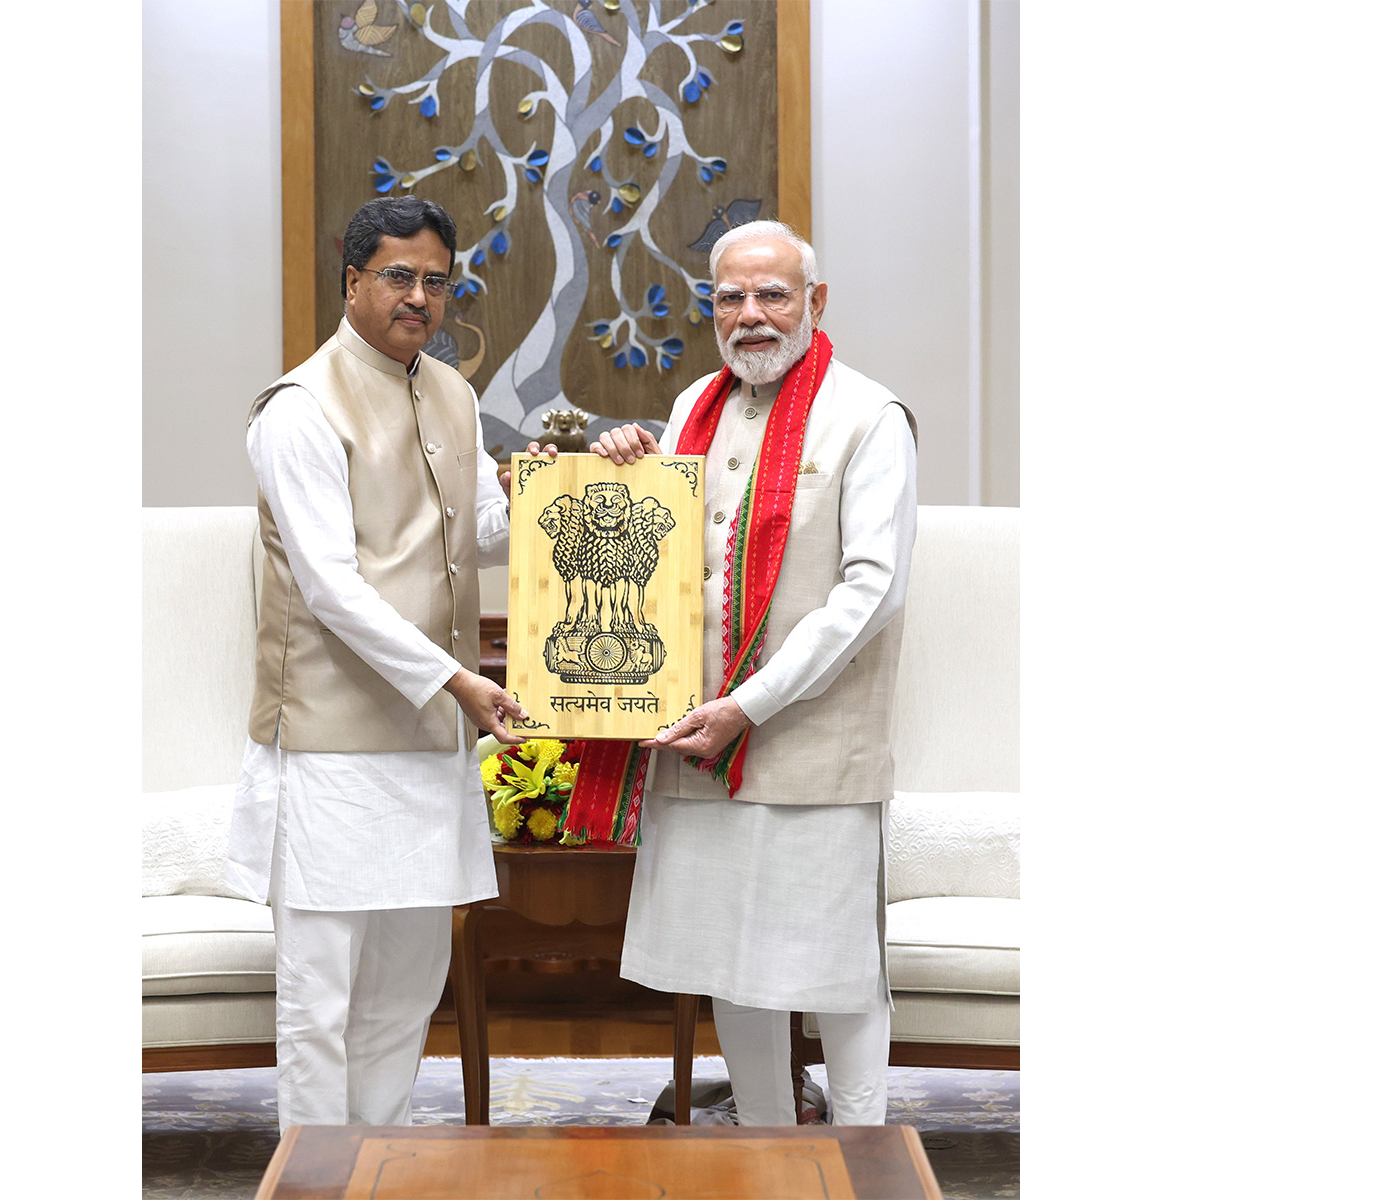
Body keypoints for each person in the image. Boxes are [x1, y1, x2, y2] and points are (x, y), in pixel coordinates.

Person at [589, 220, 918, 1126]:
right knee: (727, 960)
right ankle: (766, 1148)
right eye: (730, 296)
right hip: (699, 742)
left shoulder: (870, 417)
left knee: (836, 967)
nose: (751, 315)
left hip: (812, 747)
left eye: (773, 294)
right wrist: (633, 475)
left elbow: (871, 591)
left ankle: (860, 1155)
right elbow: (672, 553)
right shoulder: (696, 400)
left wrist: (752, 703)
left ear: (815, 302)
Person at [222, 196, 528, 1133]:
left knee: (406, 989)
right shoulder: (299, 408)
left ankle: (378, 1166)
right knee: (323, 1003)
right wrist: (459, 681)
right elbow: (331, 587)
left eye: (437, 279)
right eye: (399, 276)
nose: (420, 297)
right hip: (331, 753)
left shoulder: (453, 393)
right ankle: (316, 1181)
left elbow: (467, 537)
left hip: (426, 746)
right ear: (351, 282)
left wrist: (557, 495)